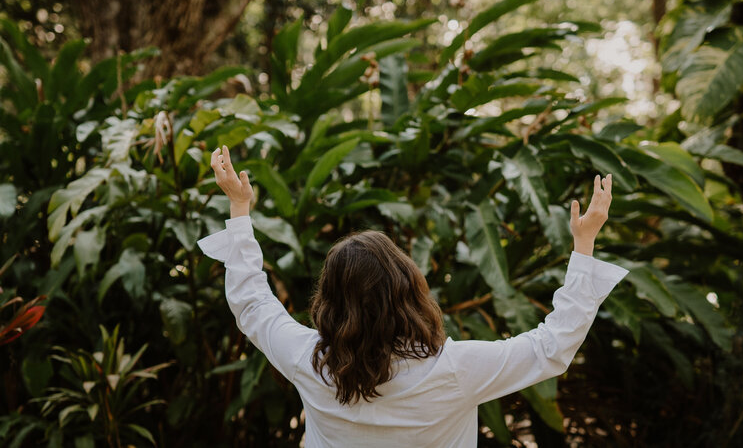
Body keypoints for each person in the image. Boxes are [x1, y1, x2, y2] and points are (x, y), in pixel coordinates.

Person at [197, 145, 628, 448]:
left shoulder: (307, 360)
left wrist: (239, 208)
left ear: (328, 301)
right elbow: (551, 348)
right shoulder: (455, 370)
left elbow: (251, 303)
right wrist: (584, 244)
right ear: (409, 291)